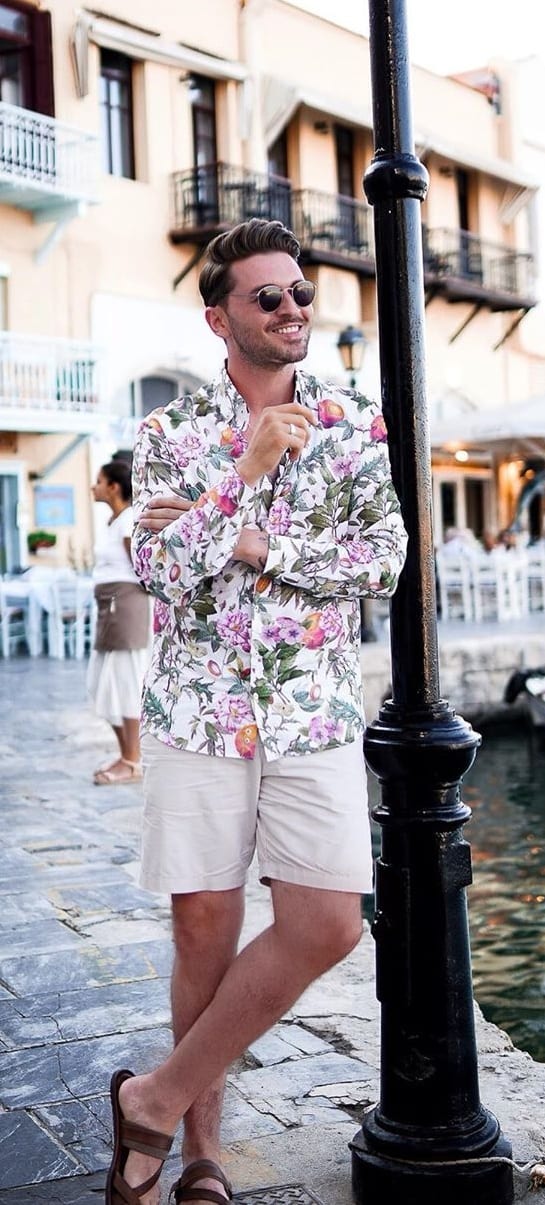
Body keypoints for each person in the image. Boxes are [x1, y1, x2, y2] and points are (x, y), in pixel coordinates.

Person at [104, 218, 408, 1205]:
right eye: (266, 296)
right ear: (219, 315)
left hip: (311, 710)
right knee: (204, 926)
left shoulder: (355, 420)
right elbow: (152, 570)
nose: (291, 309)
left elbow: (382, 560)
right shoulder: (171, 434)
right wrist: (241, 473)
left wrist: (251, 545)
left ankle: (151, 1094)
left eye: (300, 293)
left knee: (326, 921)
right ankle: (198, 1154)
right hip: (198, 710)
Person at [87, 459, 150, 785]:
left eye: (99, 480)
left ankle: (132, 760)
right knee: (100, 682)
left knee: (125, 682)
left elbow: (143, 570)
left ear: (113, 486)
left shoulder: (128, 522)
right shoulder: (113, 521)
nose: (93, 486)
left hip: (125, 607)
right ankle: (127, 754)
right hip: (109, 607)